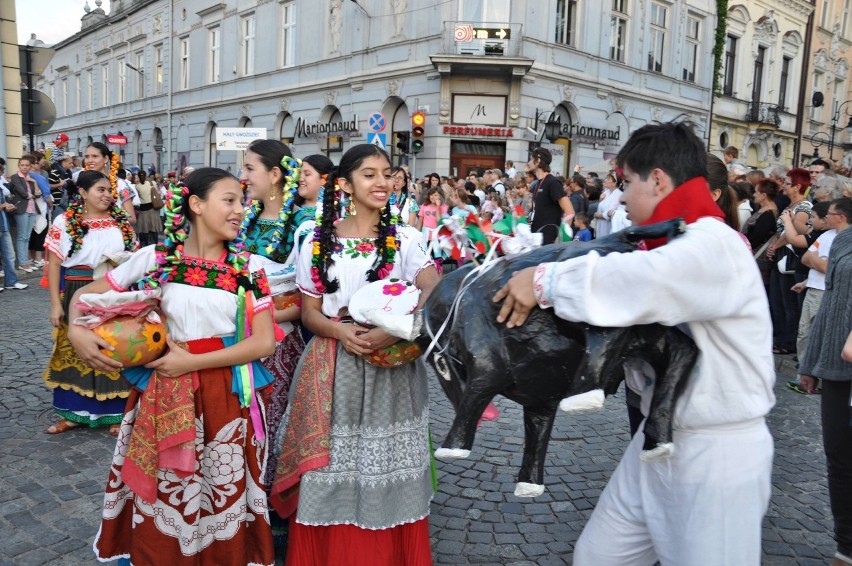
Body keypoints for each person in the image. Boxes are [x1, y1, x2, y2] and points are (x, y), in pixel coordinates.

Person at [494, 122, 774, 565]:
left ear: (658, 179)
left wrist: (544, 280)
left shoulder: (713, 243)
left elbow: (645, 282)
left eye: (627, 183)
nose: (621, 197)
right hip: (658, 438)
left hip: (716, 453)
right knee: (600, 556)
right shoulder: (676, 238)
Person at [71, 168, 277, 564]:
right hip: (163, 395)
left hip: (223, 397)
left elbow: (263, 341)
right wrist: (79, 333)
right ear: (197, 205)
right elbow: (86, 295)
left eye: (241, 201)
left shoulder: (249, 268)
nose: (239, 210)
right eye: (229, 200)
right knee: (166, 490)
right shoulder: (157, 257)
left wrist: (192, 361)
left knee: (220, 487)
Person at [271, 144, 439, 565]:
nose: (381, 182)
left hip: (392, 367)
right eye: (369, 174)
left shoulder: (406, 239)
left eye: (386, 173)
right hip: (333, 365)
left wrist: (395, 330)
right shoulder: (316, 240)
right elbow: (310, 312)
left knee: (385, 461)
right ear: (344, 184)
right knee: (331, 464)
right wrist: (340, 332)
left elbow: (434, 287)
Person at [239, 140, 307, 548]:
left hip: (280, 343)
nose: (244, 178)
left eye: (250, 169)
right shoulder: (244, 217)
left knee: (278, 424)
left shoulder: (304, 221)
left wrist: (258, 318)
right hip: (243, 338)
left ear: (275, 175)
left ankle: (279, 525)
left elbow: (306, 296)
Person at [42, 170, 137, 435]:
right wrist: (55, 303)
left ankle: (117, 414)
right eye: (100, 190)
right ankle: (73, 414)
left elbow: (134, 258)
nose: (107, 195)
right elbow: (54, 262)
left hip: (112, 290)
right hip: (76, 289)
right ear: (83, 193)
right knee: (73, 350)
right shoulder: (64, 221)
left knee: (112, 346)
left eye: (109, 191)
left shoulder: (121, 222)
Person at [797, 197, 852, 566]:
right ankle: (846, 546)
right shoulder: (843, 242)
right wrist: (812, 363)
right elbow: (833, 301)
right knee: (840, 457)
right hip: (839, 363)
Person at [767, 168, 813, 355]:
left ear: (797, 187)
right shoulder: (788, 206)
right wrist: (773, 245)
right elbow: (779, 231)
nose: (784, 186)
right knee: (776, 300)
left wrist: (775, 246)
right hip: (780, 256)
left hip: (791, 259)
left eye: (787, 183)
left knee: (788, 304)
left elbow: (791, 233)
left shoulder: (804, 207)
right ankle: (778, 338)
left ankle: (788, 341)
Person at [528, 147, 575, 245]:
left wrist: (560, 237)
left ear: (538, 161)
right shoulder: (537, 183)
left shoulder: (552, 182)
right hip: (536, 238)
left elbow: (570, 212)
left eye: (531, 159)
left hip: (548, 241)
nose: (529, 163)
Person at [743, 178, 780, 290]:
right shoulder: (765, 210)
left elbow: (756, 238)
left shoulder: (768, 214)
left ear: (763, 195)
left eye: (756, 192)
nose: (754, 195)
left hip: (758, 260)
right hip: (756, 258)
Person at [7, 154, 42, 272]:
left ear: (30, 166)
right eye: (22, 165)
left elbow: (38, 194)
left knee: (27, 237)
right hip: (21, 209)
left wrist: (33, 182)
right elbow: (23, 194)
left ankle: (25, 261)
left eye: (27, 165)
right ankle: (22, 262)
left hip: (32, 209)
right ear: (18, 166)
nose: (25, 167)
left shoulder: (31, 178)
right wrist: (32, 195)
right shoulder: (15, 177)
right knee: (22, 236)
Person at [0, 160, 26, 291]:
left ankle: (11, 281)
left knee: (9, 255)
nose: (2, 174)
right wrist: (3, 206)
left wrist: (7, 206)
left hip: (3, 224)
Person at [134, 170, 160, 247]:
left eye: (142, 176)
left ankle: (151, 245)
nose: (141, 177)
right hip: (147, 209)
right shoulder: (138, 186)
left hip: (148, 209)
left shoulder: (139, 186)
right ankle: (150, 245)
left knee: (149, 229)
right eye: (140, 176)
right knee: (148, 229)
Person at [594, 172, 622, 238]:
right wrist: (600, 200)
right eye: (606, 178)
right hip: (600, 225)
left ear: (614, 183)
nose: (605, 180)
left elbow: (611, 212)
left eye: (608, 179)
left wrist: (599, 215)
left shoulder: (619, 195)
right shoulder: (606, 192)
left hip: (608, 226)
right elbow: (600, 208)